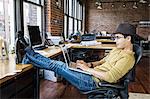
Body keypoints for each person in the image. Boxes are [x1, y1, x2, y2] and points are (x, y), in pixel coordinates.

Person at [22, 23, 137, 91]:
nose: (115, 40)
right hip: (90, 74)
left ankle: (30, 54)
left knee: (59, 66)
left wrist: (87, 70)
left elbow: (111, 77)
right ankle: (29, 57)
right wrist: (89, 65)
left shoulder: (128, 58)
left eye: (118, 37)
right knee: (66, 64)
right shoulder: (118, 50)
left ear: (128, 39)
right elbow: (103, 61)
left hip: (92, 82)